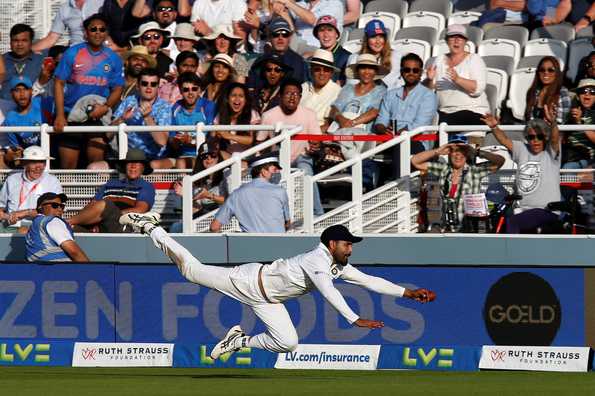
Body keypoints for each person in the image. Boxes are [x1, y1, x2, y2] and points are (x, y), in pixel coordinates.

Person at [119, 215, 436, 358]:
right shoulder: (318, 259)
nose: (350, 248)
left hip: (268, 301)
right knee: (190, 270)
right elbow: (329, 291)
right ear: (331, 243)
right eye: (346, 244)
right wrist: (354, 319)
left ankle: (238, 342)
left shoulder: (335, 262)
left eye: (351, 245)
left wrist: (408, 293)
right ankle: (150, 227)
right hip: (247, 281)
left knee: (288, 343)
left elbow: (368, 280)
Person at [53, 14, 125, 169]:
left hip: (97, 115)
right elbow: (58, 83)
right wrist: (59, 115)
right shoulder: (72, 53)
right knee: (68, 167)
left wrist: (105, 108)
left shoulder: (113, 58)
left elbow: (118, 88)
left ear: (106, 33)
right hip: (70, 114)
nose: (97, 32)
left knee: (96, 165)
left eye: (102, 29)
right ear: (86, 32)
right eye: (93, 29)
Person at [481, 107, 562, 234]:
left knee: (513, 222)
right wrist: (494, 127)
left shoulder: (550, 152)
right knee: (501, 220)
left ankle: (512, 253)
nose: (535, 141)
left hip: (546, 210)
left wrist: (553, 124)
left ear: (545, 137)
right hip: (522, 209)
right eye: (531, 137)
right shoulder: (522, 149)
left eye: (539, 137)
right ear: (527, 138)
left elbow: (555, 140)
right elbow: (504, 140)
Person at [411, 135, 505, 232]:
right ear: (449, 153)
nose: (458, 155)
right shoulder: (443, 169)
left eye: (462, 151)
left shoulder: (475, 170)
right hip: (447, 227)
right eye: (455, 151)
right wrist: (437, 151)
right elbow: (415, 161)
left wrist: (477, 152)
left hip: (470, 228)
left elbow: (500, 161)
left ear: (467, 154)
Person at [258, 79, 324, 215]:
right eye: (288, 93)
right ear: (280, 96)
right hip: (277, 160)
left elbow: (317, 141)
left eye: (296, 94)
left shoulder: (309, 114)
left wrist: (315, 146)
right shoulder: (269, 115)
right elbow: (260, 144)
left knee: (305, 171)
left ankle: (317, 214)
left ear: (300, 97)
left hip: (302, 157)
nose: (292, 97)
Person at [374, 53, 438, 178]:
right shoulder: (390, 94)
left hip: (415, 141)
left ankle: (398, 188)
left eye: (415, 70)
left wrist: (398, 134)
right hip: (389, 140)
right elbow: (381, 120)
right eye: (407, 69)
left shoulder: (428, 95)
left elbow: (419, 126)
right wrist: (383, 129)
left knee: (402, 144)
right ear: (402, 72)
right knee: (363, 150)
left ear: (421, 73)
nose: (411, 73)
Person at [67, 148, 156, 233]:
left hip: (123, 225)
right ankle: (68, 224)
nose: (133, 166)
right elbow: (92, 205)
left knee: (106, 204)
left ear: (143, 168)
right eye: (129, 163)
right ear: (125, 166)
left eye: (137, 163)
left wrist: (110, 215)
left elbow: (140, 209)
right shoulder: (109, 184)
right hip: (99, 225)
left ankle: (67, 221)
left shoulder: (146, 186)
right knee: (71, 229)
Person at [424, 24, 489, 126]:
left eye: (461, 37)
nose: (457, 40)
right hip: (445, 113)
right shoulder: (439, 60)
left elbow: (477, 89)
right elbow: (428, 90)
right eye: (452, 37)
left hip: (472, 112)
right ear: (446, 40)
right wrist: (429, 80)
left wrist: (458, 79)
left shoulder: (474, 59)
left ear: (465, 41)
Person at [210, 154, 290, 233]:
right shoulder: (280, 191)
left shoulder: (236, 194)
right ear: (263, 172)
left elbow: (214, 227)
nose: (277, 172)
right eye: (274, 170)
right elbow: (287, 223)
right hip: (278, 243)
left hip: (248, 243)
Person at [111, 68, 173, 170]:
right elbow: (108, 135)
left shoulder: (164, 106)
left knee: (151, 166)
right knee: (94, 167)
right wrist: (122, 119)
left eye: (153, 84)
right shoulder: (128, 101)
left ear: (158, 87)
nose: (149, 87)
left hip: (154, 159)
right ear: (137, 86)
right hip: (128, 159)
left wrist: (147, 117)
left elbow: (162, 141)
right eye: (144, 83)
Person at [329, 54, 387, 161]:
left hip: (363, 135)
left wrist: (352, 123)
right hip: (342, 128)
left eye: (370, 68)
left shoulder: (381, 90)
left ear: (375, 72)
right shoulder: (347, 88)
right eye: (363, 68)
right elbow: (334, 109)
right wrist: (342, 120)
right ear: (358, 70)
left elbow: (374, 112)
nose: (367, 72)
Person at [0, 146, 62, 233]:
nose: (39, 167)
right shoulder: (12, 179)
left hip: (40, 225)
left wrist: (27, 212)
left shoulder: (52, 181)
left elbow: (56, 211)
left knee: (25, 231)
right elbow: (1, 208)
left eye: (42, 162)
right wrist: (9, 217)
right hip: (11, 226)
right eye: (33, 162)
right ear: (24, 164)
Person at [169, 140, 229, 232]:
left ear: (218, 157)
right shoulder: (197, 178)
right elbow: (195, 209)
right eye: (204, 156)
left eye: (213, 155)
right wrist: (186, 196)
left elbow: (231, 201)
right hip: (203, 218)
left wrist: (209, 195)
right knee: (176, 227)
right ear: (200, 160)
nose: (209, 159)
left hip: (222, 219)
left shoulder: (227, 174)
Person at [25, 192, 90, 262]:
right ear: (40, 207)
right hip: (60, 270)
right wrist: (91, 271)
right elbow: (74, 252)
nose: (59, 209)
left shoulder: (34, 226)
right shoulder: (53, 221)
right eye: (55, 205)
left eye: (61, 206)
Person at [247, 18, 308, 90]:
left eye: (285, 34)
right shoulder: (260, 61)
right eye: (276, 34)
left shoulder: (299, 62)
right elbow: (252, 88)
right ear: (269, 37)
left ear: (290, 38)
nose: (280, 38)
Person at [171, 72, 214, 170]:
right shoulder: (175, 108)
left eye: (194, 89)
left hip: (207, 155)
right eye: (186, 90)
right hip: (182, 156)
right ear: (180, 91)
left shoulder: (208, 106)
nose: (190, 93)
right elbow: (172, 140)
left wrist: (192, 141)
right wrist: (178, 142)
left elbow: (213, 139)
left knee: (181, 162)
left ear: (199, 90)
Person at [2, 76, 54, 151]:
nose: (22, 94)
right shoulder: (10, 120)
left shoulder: (44, 103)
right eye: (17, 90)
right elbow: (17, 149)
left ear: (31, 91)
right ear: (11, 93)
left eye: (25, 89)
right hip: (31, 158)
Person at [31, 0, 104, 52]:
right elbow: (52, 38)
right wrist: (27, 51)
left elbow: (113, 29)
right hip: (75, 55)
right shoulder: (65, 8)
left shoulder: (103, 3)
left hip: (101, 51)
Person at [348, 19, 401, 89]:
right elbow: (351, 85)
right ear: (366, 39)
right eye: (373, 37)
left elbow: (399, 84)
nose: (378, 41)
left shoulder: (396, 57)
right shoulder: (354, 58)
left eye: (381, 37)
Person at [214, 82, 260, 159]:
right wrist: (216, 136)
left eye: (241, 96)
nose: (237, 99)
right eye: (233, 95)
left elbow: (251, 140)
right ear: (227, 99)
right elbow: (213, 138)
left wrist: (229, 136)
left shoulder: (252, 114)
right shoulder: (221, 115)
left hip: (250, 157)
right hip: (229, 157)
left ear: (246, 100)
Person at [301, 49, 341, 132]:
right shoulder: (302, 88)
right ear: (311, 71)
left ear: (331, 73)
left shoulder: (338, 93)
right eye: (317, 69)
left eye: (326, 70)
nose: (322, 73)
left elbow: (329, 125)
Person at [1, 24, 44, 100]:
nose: (19, 44)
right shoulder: (1, 61)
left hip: (33, 109)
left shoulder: (41, 61)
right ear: (10, 42)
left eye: (24, 40)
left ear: (31, 42)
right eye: (15, 40)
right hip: (4, 109)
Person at [525, 56, 571, 124]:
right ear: (538, 72)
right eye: (542, 70)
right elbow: (528, 119)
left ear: (557, 73)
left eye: (551, 70)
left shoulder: (562, 92)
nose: (546, 72)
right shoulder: (533, 92)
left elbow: (562, 123)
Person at [279, 0, 344, 48]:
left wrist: (287, 2)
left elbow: (312, 20)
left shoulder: (334, 4)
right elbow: (289, 25)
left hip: (318, 49)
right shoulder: (301, 4)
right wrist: (281, 10)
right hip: (295, 45)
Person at [562, 78, 595, 169]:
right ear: (577, 95)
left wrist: (579, 123)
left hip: (588, 160)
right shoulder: (569, 114)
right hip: (569, 156)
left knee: (567, 168)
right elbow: (562, 138)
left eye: (592, 91)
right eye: (583, 91)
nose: (587, 94)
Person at [313, 15, 351, 83]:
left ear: (336, 34)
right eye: (321, 30)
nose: (326, 34)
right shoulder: (313, 58)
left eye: (330, 30)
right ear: (317, 35)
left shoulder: (347, 57)